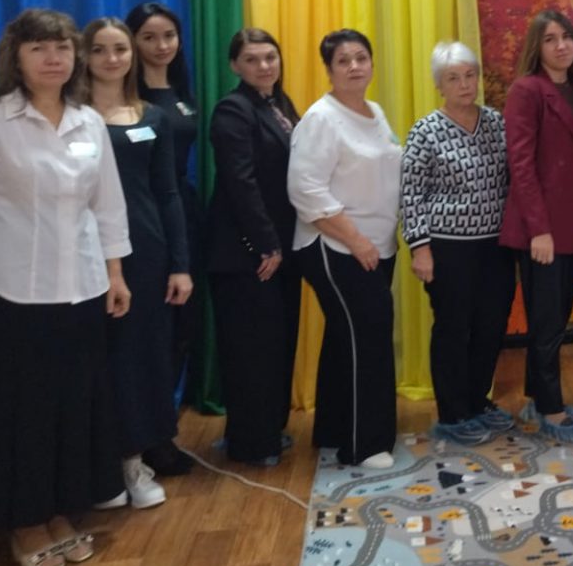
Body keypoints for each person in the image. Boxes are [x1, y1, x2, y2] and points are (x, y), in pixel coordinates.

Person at [0, 8, 131, 566]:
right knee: (23, 414)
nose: (53, 59)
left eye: (63, 48)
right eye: (39, 48)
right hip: (15, 293)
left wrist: (116, 273)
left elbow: (107, 206)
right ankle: (24, 521)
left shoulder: (88, 122)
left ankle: (62, 512)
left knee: (73, 409)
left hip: (84, 289)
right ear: (15, 57)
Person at [83, 18, 192, 510]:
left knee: (142, 357)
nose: (112, 59)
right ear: (85, 56)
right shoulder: (70, 116)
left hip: (145, 250)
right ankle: (99, 470)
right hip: (83, 252)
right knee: (98, 361)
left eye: (120, 49)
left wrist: (180, 264)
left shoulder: (153, 117)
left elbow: (168, 193)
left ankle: (134, 461)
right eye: (100, 50)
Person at [287, 29, 402, 470]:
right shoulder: (321, 119)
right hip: (336, 245)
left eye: (361, 58)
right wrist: (355, 240)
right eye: (343, 61)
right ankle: (365, 445)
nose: (354, 66)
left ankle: (335, 429)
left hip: (376, 244)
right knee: (368, 336)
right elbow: (305, 190)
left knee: (345, 337)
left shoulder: (374, 111)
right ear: (329, 70)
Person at [401, 42, 516, 447]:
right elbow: (411, 194)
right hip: (448, 248)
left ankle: (477, 401)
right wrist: (420, 248)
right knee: (453, 327)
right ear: (439, 85)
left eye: (470, 75)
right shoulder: (425, 131)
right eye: (453, 78)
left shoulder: (497, 123)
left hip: (496, 246)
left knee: (490, 325)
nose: (465, 84)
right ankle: (452, 413)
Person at [206, 28, 303, 466]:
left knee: (276, 343)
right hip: (247, 254)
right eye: (252, 59)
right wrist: (266, 245)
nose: (264, 66)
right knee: (251, 350)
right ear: (235, 65)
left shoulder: (279, 104)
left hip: (280, 247)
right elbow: (239, 182)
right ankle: (251, 443)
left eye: (270, 57)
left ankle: (267, 430)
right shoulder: (233, 109)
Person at [500, 10, 573, 443]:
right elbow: (520, 163)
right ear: (536, 48)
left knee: (555, 316)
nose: (561, 46)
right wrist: (538, 229)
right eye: (550, 39)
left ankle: (539, 397)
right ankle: (551, 409)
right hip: (541, 229)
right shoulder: (527, 90)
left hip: (570, 222)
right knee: (547, 320)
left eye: (566, 37)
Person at [126, 2, 200, 477]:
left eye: (169, 36)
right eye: (149, 37)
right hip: (142, 218)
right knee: (147, 334)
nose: (161, 45)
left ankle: (162, 430)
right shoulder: (125, 96)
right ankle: (143, 440)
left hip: (182, 213)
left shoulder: (180, 92)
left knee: (181, 328)